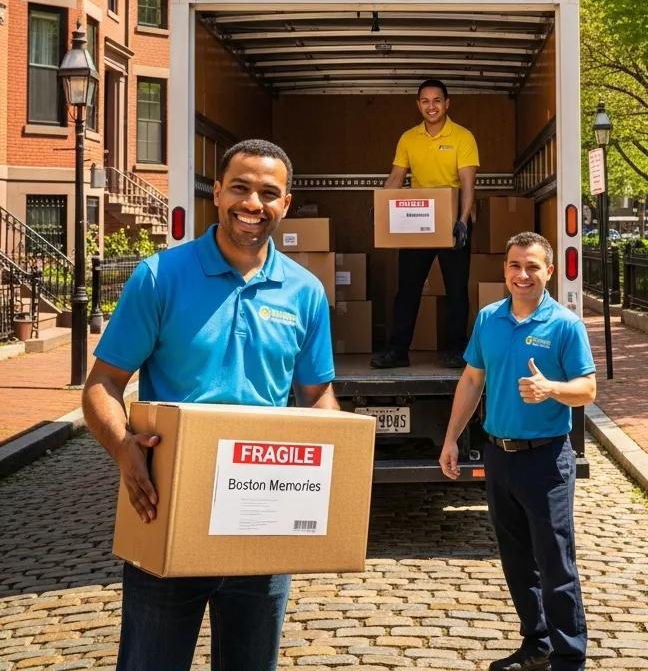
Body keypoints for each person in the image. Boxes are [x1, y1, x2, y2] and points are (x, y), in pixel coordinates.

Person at [82, 139, 338, 671]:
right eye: (240, 188)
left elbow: (316, 395)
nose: (253, 204)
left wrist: (334, 466)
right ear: (217, 192)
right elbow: (102, 383)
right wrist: (122, 446)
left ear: (285, 204)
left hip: (263, 517)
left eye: (269, 193)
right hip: (168, 507)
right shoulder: (160, 277)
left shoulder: (305, 292)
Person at [440, 232, 596, 671]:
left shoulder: (565, 325)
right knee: (515, 560)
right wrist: (452, 437)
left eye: (532, 266)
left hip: (545, 460)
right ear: (504, 270)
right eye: (514, 265)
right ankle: (537, 643)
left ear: (549, 271)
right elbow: (472, 380)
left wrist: (551, 389)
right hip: (499, 456)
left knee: (555, 563)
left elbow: (588, 388)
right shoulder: (489, 319)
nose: (522, 275)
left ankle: (569, 658)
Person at [371, 77, 479, 369]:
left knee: (456, 290)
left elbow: (468, 183)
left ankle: (456, 350)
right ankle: (398, 350)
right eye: (425, 101)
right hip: (418, 222)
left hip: (453, 221)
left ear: (447, 103)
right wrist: (382, 216)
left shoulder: (462, 137)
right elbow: (395, 178)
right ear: (418, 104)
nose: (431, 107)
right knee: (407, 289)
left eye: (437, 101)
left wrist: (462, 221)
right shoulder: (408, 138)